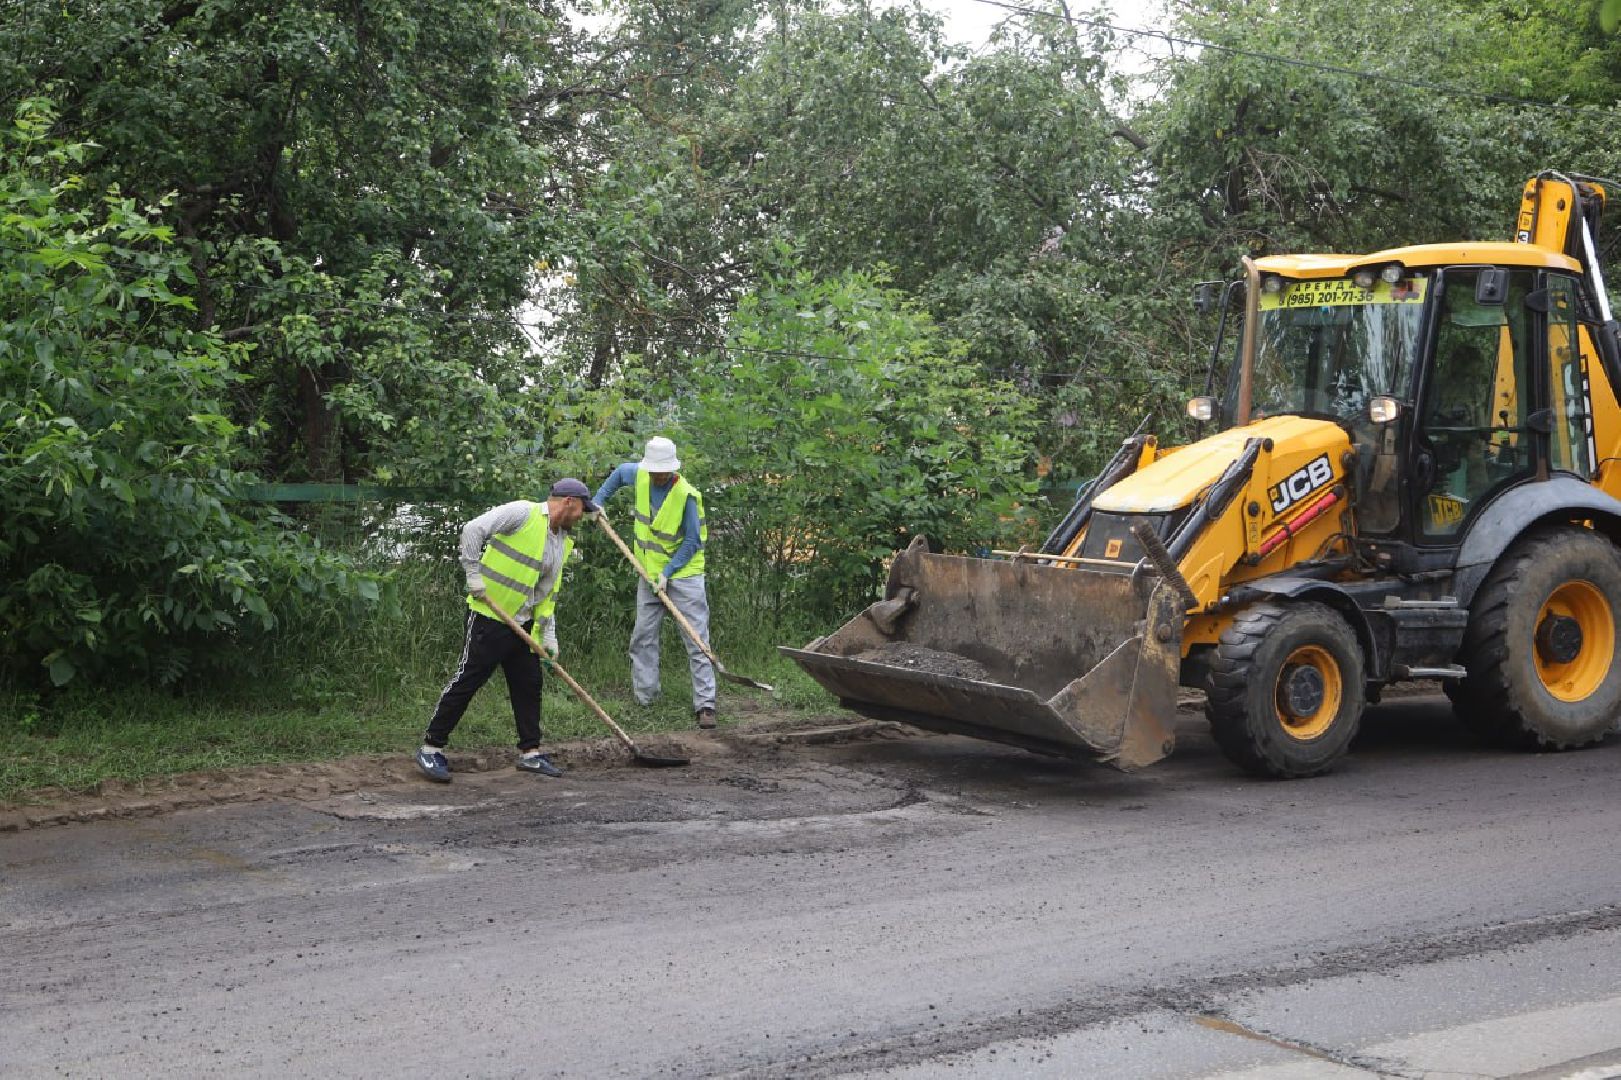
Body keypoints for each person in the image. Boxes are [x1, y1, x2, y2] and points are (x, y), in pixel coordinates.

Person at [414, 478, 598, 783]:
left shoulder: (562, 541)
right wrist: (472, 574)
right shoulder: (523, 513)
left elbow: (547, 593)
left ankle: (531, 754)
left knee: (528, 684)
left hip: (523, 623)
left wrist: (548, 634)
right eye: (580, 509)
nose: (581, 516)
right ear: (568, 502)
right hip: (489, 615)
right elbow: (473, 529)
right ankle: (430, 748)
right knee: (469, 679)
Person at [595, 437, 717, 728]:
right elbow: (617, 476)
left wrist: (669, 573)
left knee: (696, 639)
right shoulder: (637, 474)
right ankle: (646, 698)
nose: (657, 476)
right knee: (643, 636)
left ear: (672, 469)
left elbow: (693, 541)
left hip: (684, 576)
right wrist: (598, 502)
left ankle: (706, 705)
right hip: (648, 575)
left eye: (663, 471)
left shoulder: (686, 495)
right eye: (654, 471)